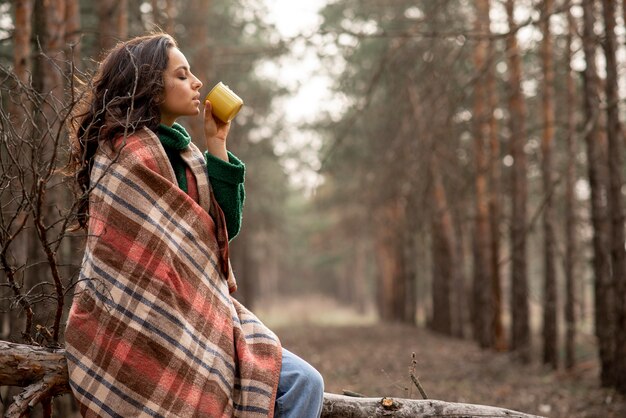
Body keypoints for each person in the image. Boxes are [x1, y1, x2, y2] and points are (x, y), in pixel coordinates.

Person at [65, 32, 324, 418]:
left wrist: (216, 146)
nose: (197, 82)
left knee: (305, 382)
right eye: (183, 75)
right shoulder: (125, 153)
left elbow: (221, 231)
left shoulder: (187, 153)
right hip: (140, 324)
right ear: (153, 87)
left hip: (207, 316)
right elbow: (132, 261)